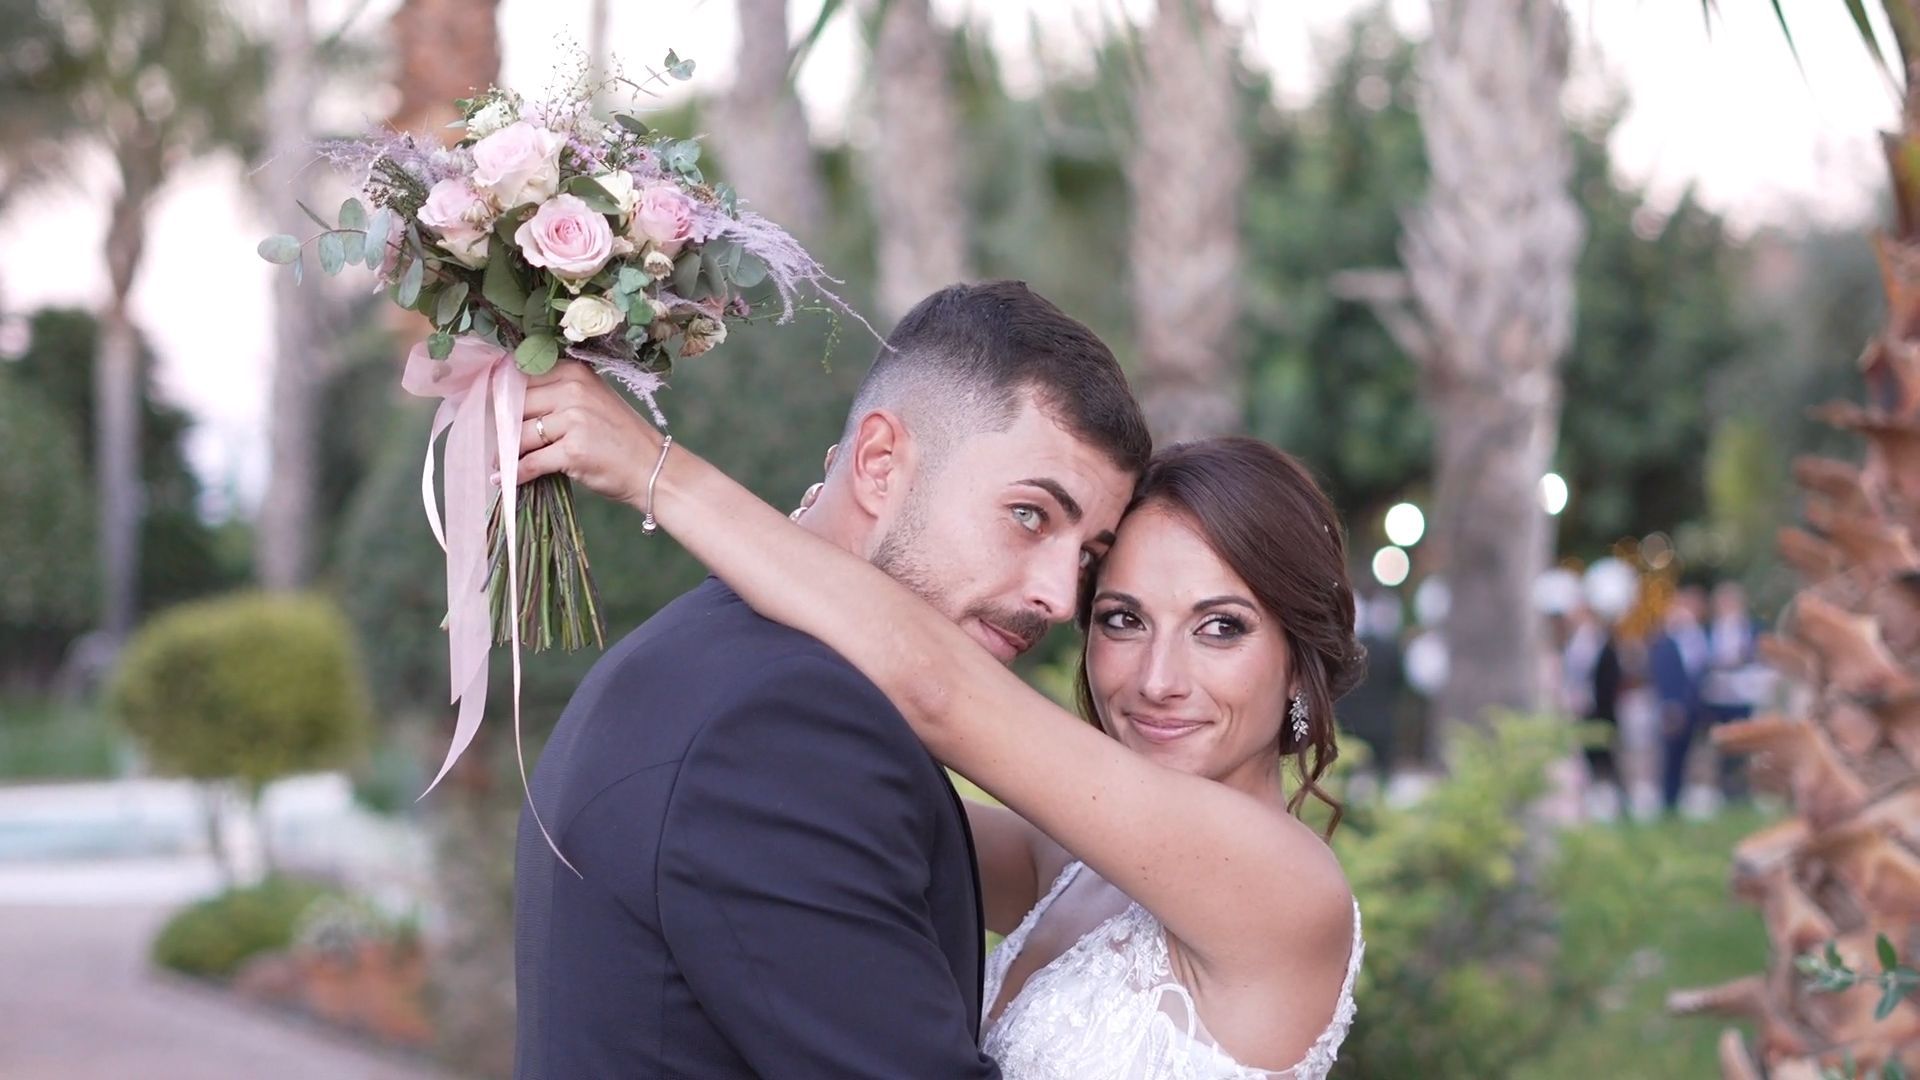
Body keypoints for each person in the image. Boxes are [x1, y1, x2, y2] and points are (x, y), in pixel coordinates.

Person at [515, 348, 1366, 1076]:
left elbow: (939, 695)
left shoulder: (1283, 891)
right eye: (1122, 619)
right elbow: (811, 803)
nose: (1158, 679)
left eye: (1221, 628)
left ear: (1299, 665)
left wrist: (649, 469)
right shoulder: (1065, 864)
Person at [512, 281, 1147, 1079]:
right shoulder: (787, 728)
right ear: (880, 465)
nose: (1060, 597)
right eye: (1030, 516)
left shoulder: (709, 656)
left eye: (1089, 556)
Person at [1650, 584, 1711, 814]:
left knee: (1692, 756)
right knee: (1671, 758)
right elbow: (1664, 674)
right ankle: (1669, 803)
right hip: (1674, 709)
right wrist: (1670, 705)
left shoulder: (1700, 636)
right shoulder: (1666, 639)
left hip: (1696, 707)